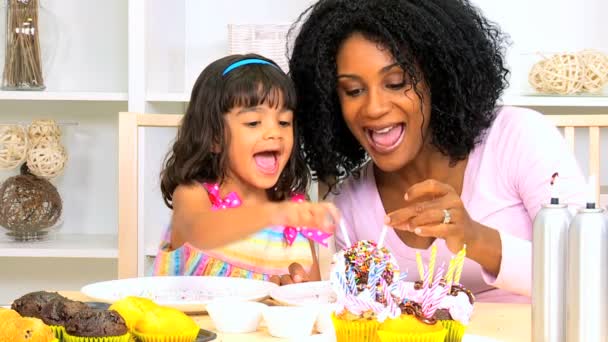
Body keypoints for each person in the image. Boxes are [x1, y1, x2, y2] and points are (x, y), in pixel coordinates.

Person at [287, 0, 586, 302]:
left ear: (437, 77)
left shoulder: (518, 137)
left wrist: (475, 238)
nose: (374, 108)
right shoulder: (349, 206)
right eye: (354, 91)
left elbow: (589, 270)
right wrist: (309, 294)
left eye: (396, 82)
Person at [152, 54, 340, 285]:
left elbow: (312, 299)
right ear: (214, 137)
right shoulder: (194, 196)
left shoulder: (296, 217)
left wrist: (294, 290)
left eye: (284, 122)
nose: (274, 133)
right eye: (253, 122)